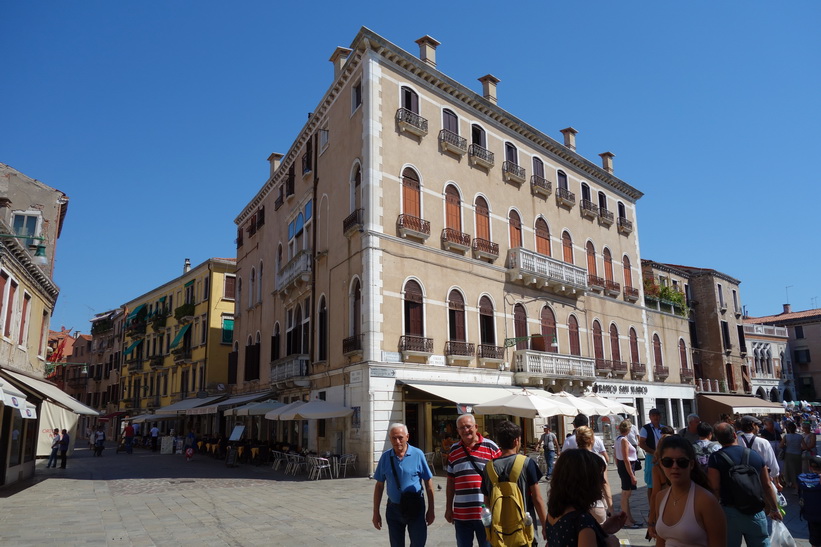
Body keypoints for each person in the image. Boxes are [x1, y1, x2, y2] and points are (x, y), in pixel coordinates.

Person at [707, 422, 782, 547]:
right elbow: (767, 484)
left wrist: (712, 513)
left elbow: (715, 487)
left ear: (718, 439)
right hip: (755, 510)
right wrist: (775, 509)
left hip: (729, 511)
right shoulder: (753, 455)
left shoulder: (715, 458)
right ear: (735, 435)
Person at [481, 420, 547, 546]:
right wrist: (545, 525)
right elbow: (537, 498)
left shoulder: (488, 467)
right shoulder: (527, 463)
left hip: (498, 533)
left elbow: (487, 502)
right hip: (524, 531)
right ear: (517, 441)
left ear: (499, 442)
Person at [652, 435, 726, 546]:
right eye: (668, 462)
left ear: (691, 464)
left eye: (682, 462)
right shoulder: (661, 497)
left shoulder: (706, 500)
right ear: (661, 464)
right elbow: (661, 541)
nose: (675, 466)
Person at [545, 449, 626, 546]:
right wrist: (612, 544)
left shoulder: (553, 513)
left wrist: (602, 530)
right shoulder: (581, 520)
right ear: (586, 482)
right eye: (599, 476)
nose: (603, 482)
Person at [372, 423, 435, 546]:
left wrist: (431, 510)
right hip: (394, 509)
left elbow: (428, 483)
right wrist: (376, 512)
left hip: (415, 507)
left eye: (400, 437)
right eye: (393, 438)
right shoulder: (385, 457)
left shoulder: (418, 454)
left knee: (418, 543)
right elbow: (379, 486)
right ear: (390, 439)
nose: (397, 441)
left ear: (407, 437)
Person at [445, 413, 500, 547]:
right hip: (461, 514)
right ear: (457, 431)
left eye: (468, 427)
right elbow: (451, 482)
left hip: (486, 513)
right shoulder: (454, 450)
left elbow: (501, 480)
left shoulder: (491, 447)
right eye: (461, 428)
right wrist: (448, 508)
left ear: (476, 427)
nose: (465, 430)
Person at [574, 426, 613, 525]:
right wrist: (611, 508)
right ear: (591, 440)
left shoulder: (566, 459)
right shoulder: (599, 459)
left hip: (573, 506)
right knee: (600, 537)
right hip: (595, 504)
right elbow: (605, 484)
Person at [737, 415, 780, 491]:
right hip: (761, 480)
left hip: (741, 481)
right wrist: (775, 480)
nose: (758, 428)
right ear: (753, 425)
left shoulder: (736, 441)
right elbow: (773, 466)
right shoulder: (763, 442)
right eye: (757, 425)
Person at [614, 420, 641, 528]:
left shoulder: (618, 439)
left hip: (622, 466)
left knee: (626, 494)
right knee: (626, 495)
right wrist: (632, 475)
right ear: (629, 429)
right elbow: (626, 459)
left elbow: (616, 455)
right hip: (626, 467)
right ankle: (626, 521)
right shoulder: (624, 440)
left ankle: (630, 518)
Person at [638, 408, 664, 503]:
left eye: (657, 415)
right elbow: (641, 443)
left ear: (660, 416)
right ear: (650, 417)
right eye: (653, 415)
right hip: (651, 457)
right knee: (651, 484)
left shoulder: (663, 428)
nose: (656, 417)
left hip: (663, 457)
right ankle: (651, 505)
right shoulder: (645, 428)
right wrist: (654, 452)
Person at [781, 421, 804, 490]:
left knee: (790, 470)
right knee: (798, 470)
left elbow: (781, 445)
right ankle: (798, 484)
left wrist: (787, 445)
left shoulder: (786, 436)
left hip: (789, 454)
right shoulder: (800, 436)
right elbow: (805, 446)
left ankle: (793, 484)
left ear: (788, 429)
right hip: (798, 454)